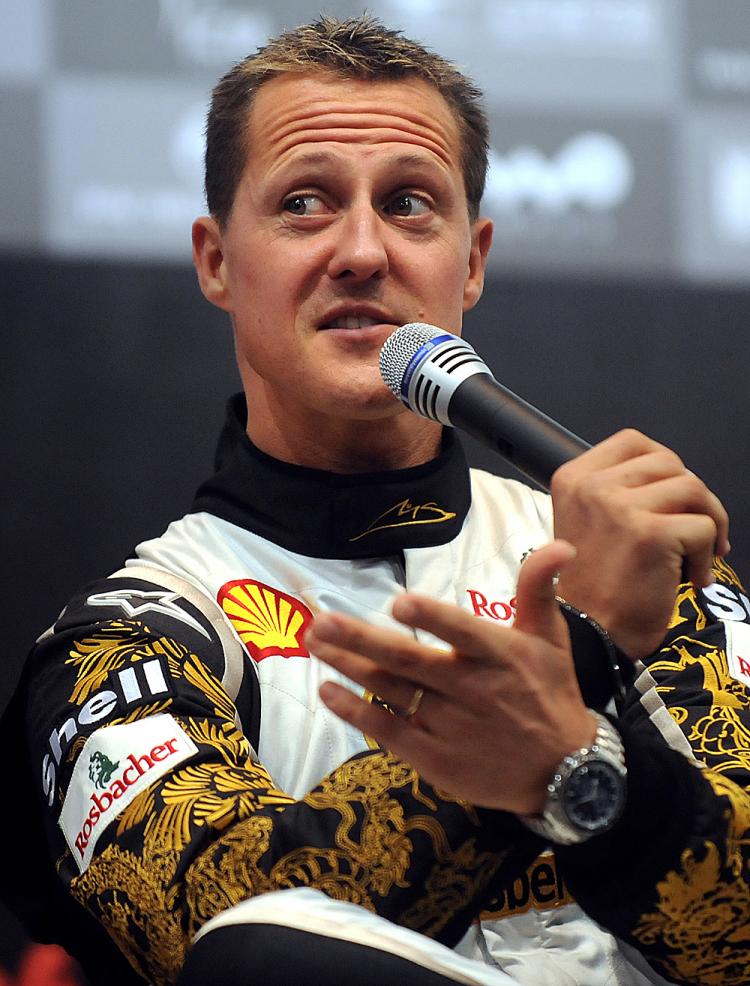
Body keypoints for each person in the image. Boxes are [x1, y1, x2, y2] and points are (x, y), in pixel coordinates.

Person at [2, 13, 748, 986]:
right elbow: (230, 933)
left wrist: (583, 773)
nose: (362, 249)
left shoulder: (632, 566)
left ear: (471, 260)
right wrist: (582, 646)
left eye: (408, 204)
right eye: (306, 202)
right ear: (217, 259)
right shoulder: (131, 637)